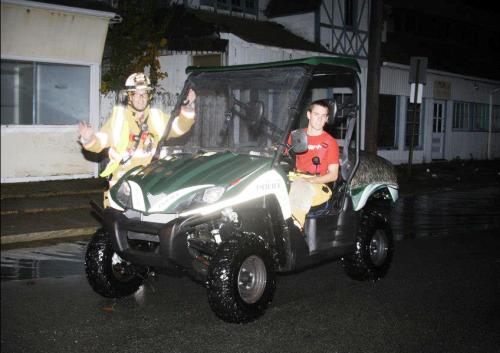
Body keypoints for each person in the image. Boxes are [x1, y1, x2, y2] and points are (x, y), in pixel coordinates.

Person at [78, 72, 196, 206]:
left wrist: (188, 108)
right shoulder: (119, 119)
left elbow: (177, 128)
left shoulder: (156, 117)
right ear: (129, 97)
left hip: (150, 183)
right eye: (136, 94)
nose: (141, 98)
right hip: (123, 186)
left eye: (145, 93)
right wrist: (88, 138)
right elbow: (102, 140)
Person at [288, 99, 339, 230]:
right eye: (316, 114)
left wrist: (310, 180)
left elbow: (333, 175)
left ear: (327, 119)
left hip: (319, 185)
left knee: (300, 186)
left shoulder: (330, 142)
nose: (319, 119)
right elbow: (282, 155)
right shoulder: (296, 136)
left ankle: (295, 230)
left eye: (323, 116)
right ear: (309, 115)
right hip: (295, 178)